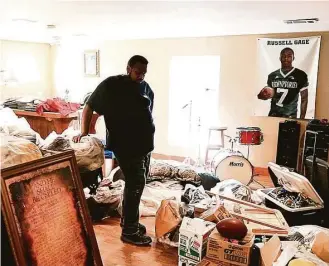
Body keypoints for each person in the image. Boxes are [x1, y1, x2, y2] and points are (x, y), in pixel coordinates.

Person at [73, 55, 155, 246]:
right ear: (128, 68)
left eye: (144, 73)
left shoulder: (145, 87)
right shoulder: (112, 86)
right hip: (126, 145)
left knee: (137, 184)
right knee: (135, 184)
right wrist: (84, 131)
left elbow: (148, 113)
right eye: (137, 72)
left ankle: (129, 221)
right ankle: (130, 232)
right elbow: (89, 106)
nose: (141, 76)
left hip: (144, 145)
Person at [257, 47, 309, 119]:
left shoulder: (300, 75)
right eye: (283, 56)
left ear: (293, 58)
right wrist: (262, 96)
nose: (286, 58)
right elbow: (268, 95)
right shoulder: (272, 76)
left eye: (289, 56)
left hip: (290, 116)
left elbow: (304, 98)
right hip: (273, 115)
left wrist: (302, 118)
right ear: (280, 58)